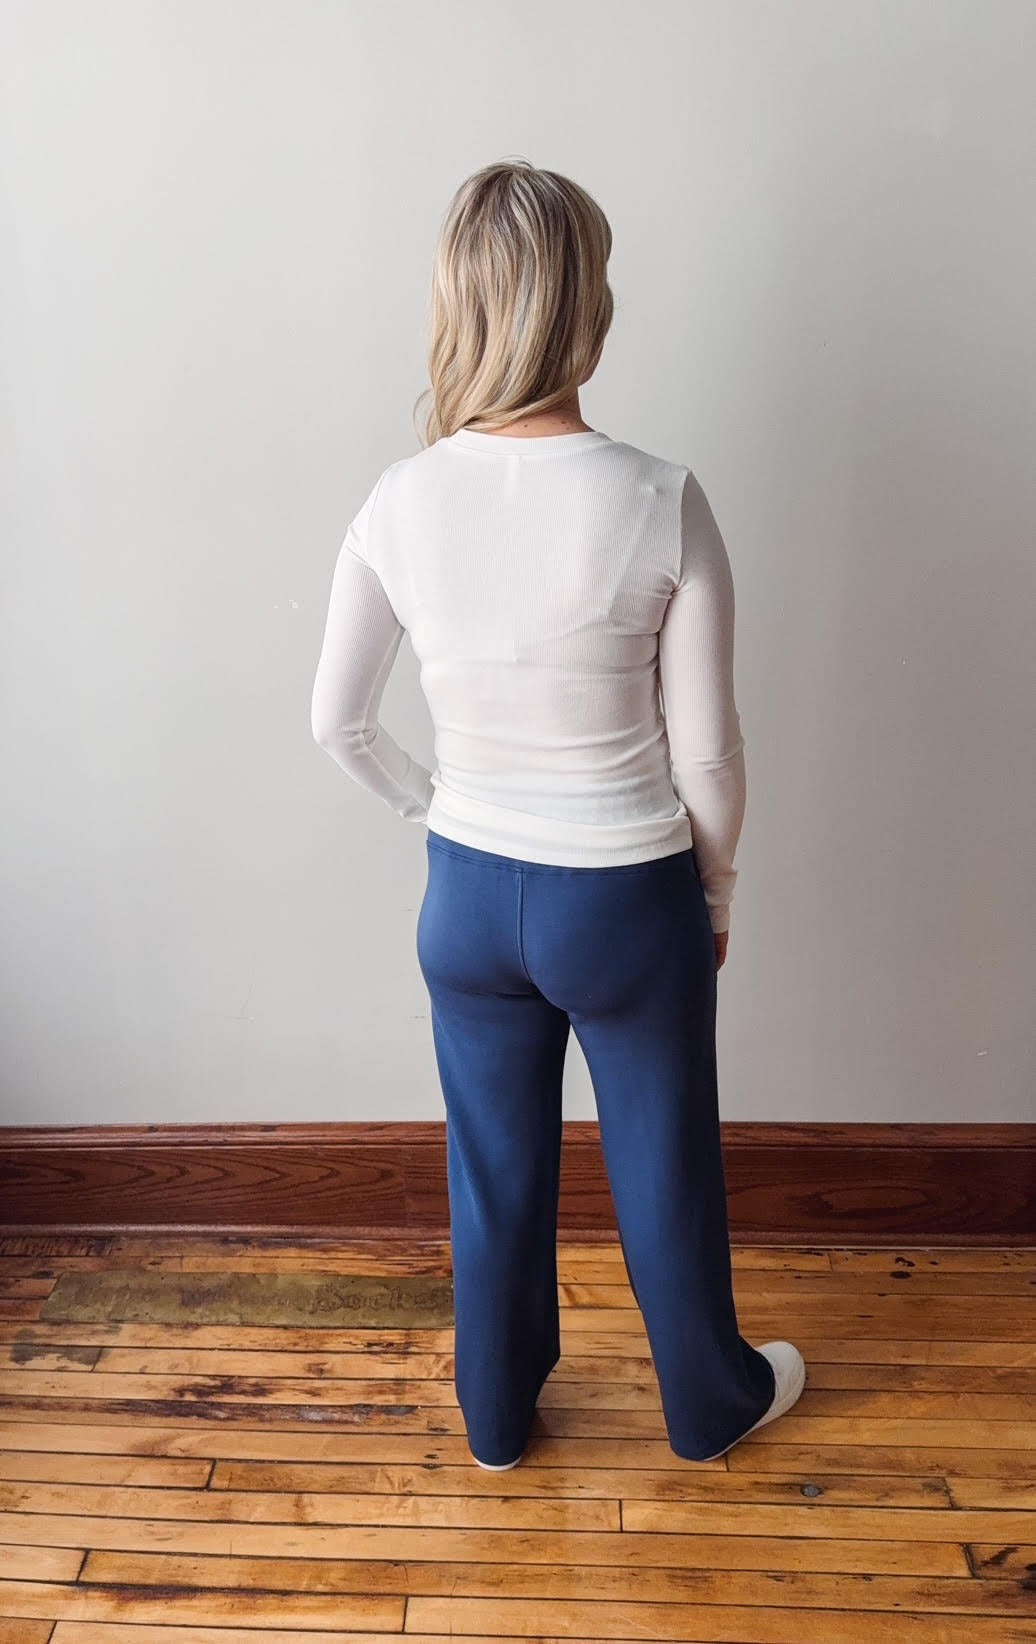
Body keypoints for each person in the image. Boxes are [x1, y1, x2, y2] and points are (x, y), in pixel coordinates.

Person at [311, 158, 805, 1471]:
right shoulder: (657, 495)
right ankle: (709, 1404)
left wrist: (440, 807)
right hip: (625, 893)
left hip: (468, 893)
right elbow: (708, 751)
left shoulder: (398, 500)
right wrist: (718, 893)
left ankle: (494, 1417)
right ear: (582, 304)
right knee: (664, 1166)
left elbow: (336, 722)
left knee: (495, 1173)